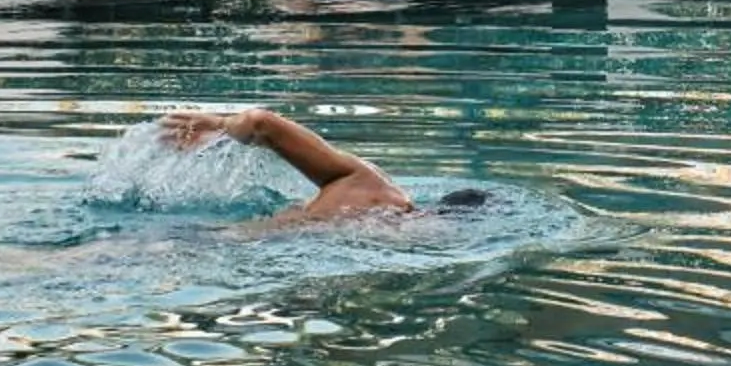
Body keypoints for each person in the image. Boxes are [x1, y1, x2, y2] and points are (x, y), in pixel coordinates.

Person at [159, 104, 491, 229]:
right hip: (205, 252)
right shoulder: (370, 188)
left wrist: (219, 123)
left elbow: (260, 122)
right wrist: (218, 125)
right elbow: (261, 122)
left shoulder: (366, 188)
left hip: (196, 248)